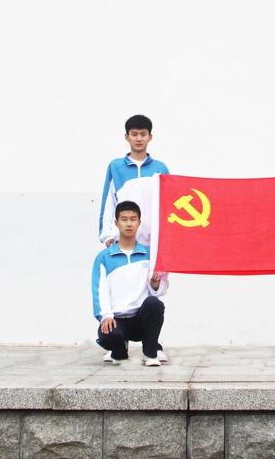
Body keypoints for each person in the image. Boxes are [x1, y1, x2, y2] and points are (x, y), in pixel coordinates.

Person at [92, 201, 169, 366]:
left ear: (139, 222)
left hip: (140, 320)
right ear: (116, 223)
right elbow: (99, 290)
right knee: (109, 337)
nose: (128, 224)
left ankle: (150, 353)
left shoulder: (149, 254)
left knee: (154, 304)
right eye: (124, 219)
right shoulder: (104, 257)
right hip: (117, 319)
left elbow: (161, 290)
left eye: (133, 219)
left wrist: (155, 284)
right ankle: (119, 351)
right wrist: (105, 316)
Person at [98, 114, 169, 246]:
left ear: (150, 137)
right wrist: (107, 235)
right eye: (134, 134)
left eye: (143, 134)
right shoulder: (116, 167)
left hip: (153, 242)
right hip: (123, 240)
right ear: (127, 137)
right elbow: (108, 202)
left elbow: (167, 205)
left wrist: (167, 236)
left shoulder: (160, 168)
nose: (139, 138)